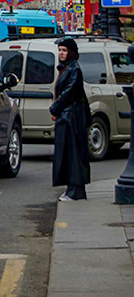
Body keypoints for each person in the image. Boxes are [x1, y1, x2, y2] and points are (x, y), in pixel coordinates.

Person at [49, 37, 91, 201]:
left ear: (71, 52)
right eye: (60, 50)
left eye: (64, 50)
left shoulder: (74, 69)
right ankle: (72, 189)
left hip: (72, 117)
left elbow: (68, 92)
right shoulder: (68, 68)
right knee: (69, 153)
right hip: (68, 115)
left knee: (73, 153)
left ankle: (75, 191)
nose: (61, 53)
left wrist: (54, 108)